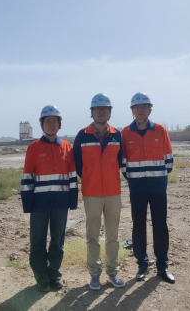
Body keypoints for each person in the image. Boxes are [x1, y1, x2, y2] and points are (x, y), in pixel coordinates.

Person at [20, 105, 78, 292]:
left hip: (61, 203)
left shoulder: (67, 148)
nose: (51, 124)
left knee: (57, 241)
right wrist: (28, 204)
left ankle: (54, 273)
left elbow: (72, 176)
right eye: (48, 121)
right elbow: (27, 176)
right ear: (42, 125)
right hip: (40, 204)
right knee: (37, 240)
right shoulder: (34, 148)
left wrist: (72, 201)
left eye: (55, 121)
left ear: (59, 124)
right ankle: (41, 275)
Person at [121, 93, 175, 284]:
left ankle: (162, 266)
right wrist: (135, 179)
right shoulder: (125, 133)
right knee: (139, 225)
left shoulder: (160, 130)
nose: (141, 110)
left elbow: (169, 160)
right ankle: (142, 264)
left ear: (150, 109)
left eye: (144, 106)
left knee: (160, 225)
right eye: (137, 107)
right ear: (132, 110)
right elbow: (123, 163)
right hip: (137, 188)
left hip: (158, 187)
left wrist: (157, 177)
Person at [73, 93, 125, 291]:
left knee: (113, 235)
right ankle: (94, 273)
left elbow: (120, 161)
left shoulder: (117, 135)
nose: (101, 112)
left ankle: (112, 272)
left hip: (113, 193)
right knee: (92, 235)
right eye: (97, 109)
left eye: (105, 109)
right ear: (92, 112)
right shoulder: (82, 135)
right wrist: (90, 178)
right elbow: (78, 164)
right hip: (92, 193)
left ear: (110, 112)